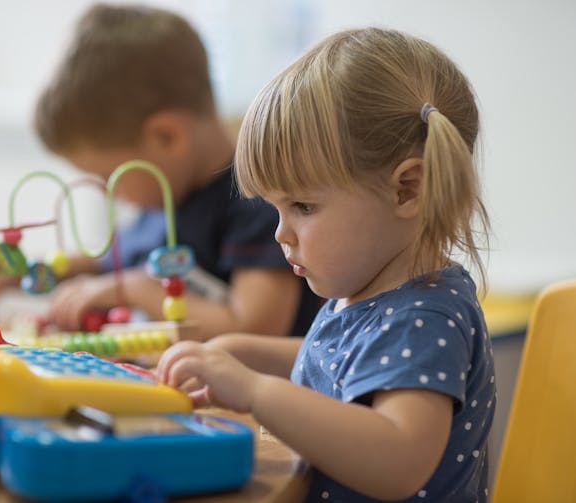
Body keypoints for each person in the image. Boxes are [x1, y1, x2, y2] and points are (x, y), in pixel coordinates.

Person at [157, 27, 496, 502]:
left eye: (304, 206)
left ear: (407, 190)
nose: (280, 233)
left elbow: (398, 459)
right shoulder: (376, 293)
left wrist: (255, 391)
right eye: (276, 209)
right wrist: (243, 351)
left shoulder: (424, 317)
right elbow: (346, 369)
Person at [32, 3, 321, 340]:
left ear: (166, 137)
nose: (102, 189)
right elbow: (101, 263)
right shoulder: (163, 198)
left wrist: (136, 289)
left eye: (107, 174)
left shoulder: (257, 200)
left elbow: (255, 327)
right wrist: (16, 272)